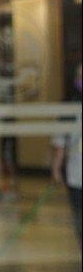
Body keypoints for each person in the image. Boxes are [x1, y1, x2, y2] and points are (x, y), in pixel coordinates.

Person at [51, 62, 82, 248]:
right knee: (79, 218)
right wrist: (56, 168)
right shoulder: (69, 109)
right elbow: (59, 142)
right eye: (80, 76)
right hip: (76, 175)